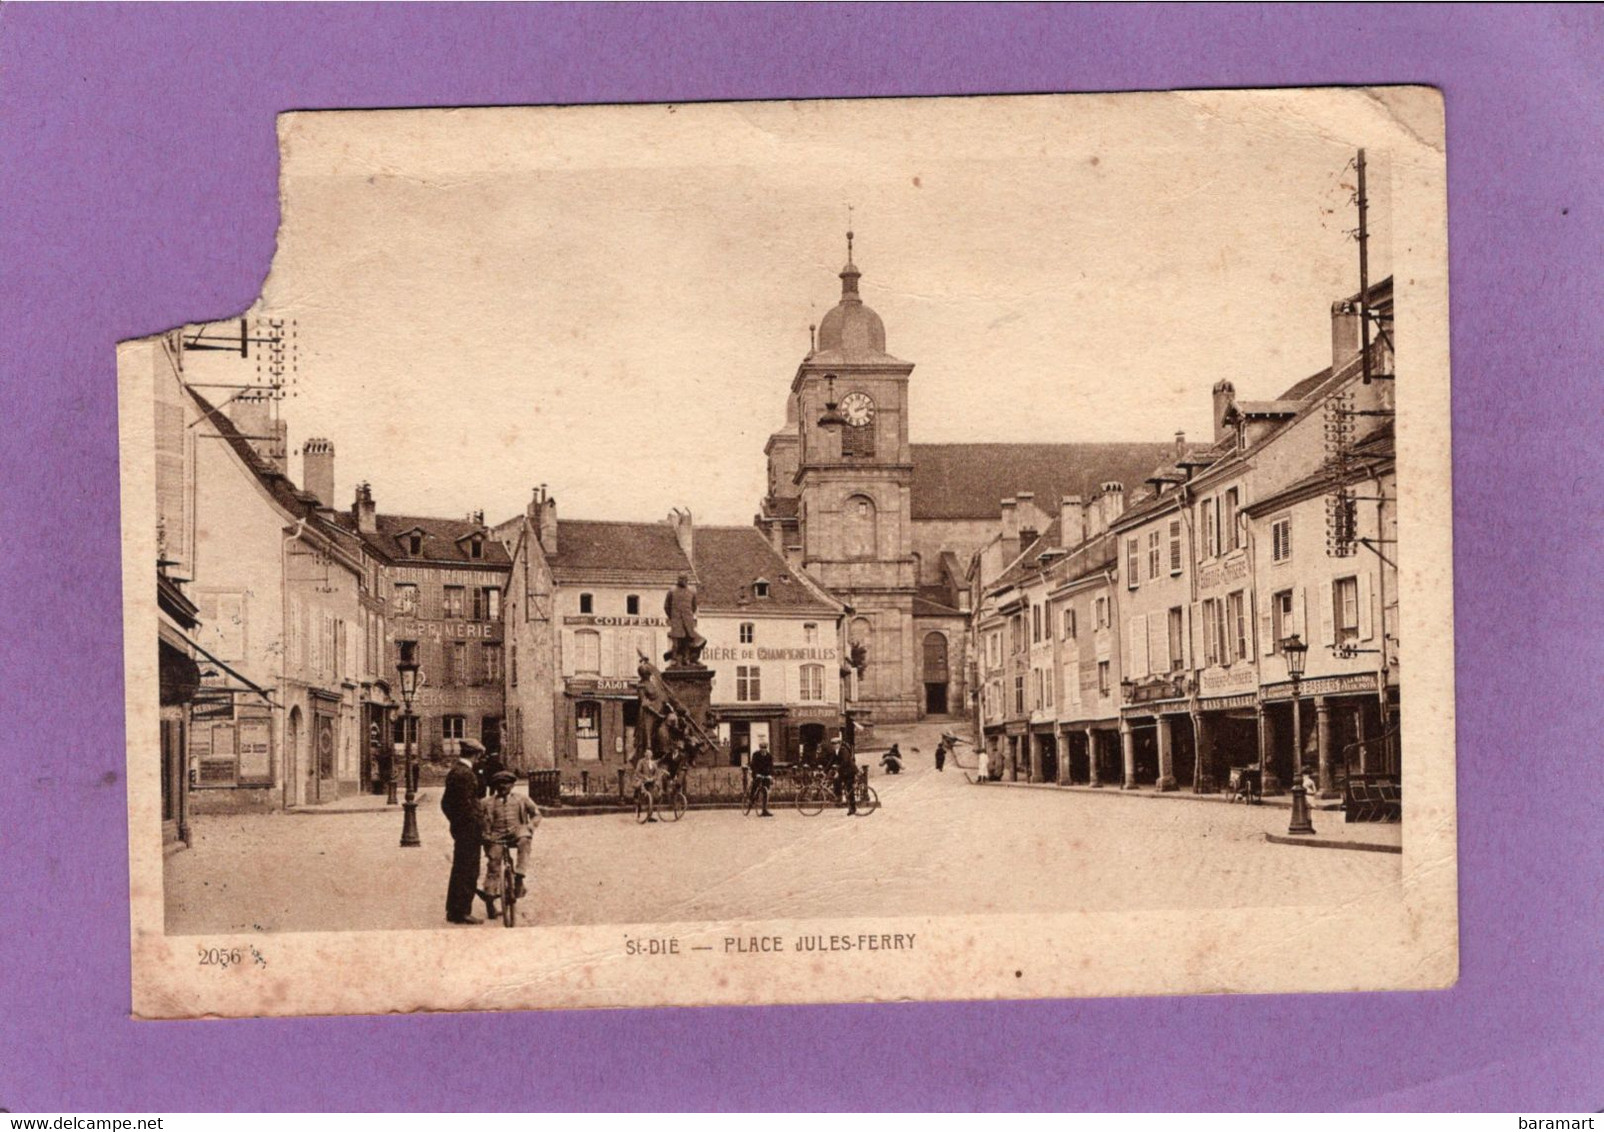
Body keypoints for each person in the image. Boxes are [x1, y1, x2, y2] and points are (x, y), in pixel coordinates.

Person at [480, 770, 541, 916]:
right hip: (496, 835)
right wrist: (484, 833)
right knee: (494, 864)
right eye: (498, 784)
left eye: (506, 783)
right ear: (494, 786)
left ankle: (519, 876)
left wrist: (530, 826)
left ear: (512, 785)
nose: (502, 786)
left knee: (525, 840)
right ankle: (490, 900)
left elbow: (536, 814)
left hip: (517, 832)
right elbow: (478, 820)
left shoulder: (522, 799)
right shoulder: (486, 802)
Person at [440, 739, 485, 924]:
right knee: (468, 869)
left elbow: (445, 804)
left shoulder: (456, 771)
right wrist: (472, 823)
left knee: (460, 868)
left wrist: (455, 824)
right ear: (475, 755)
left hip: (462, 828)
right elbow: (467, 805)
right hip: (468, 829)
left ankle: (454, 910)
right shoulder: (465, 774)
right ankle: (461, 912)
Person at [663, 573, 705, 667]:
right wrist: (673, 617)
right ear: (678, 579)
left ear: (687, 580)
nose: (682, 580)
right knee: (677, 642)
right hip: (677, 620)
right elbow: (666, 606)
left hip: (688, 620)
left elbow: (694, 606)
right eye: (681, 578)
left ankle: (686, 659)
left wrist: (688, 615)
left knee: (688, 641)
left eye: (684, 579)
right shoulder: (672, 591)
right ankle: (676, 660)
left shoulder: (692, 591)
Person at [833, 737, 860, 816]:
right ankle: (839, 797)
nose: (834, 746)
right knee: (837, 781)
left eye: (836, 744)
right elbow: (831, 760)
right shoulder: (836, 751)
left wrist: (838, 771)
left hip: (850, 772)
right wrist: (824, 770)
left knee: (849, 790)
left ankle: (853, 809)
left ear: (839, 744)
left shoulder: (843, 750)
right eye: (833, 744)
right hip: (844, 772)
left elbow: (845, 762)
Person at [748, 739, 775, 817]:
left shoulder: (769, 756)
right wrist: (756, 774)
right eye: (762, 748)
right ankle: (751, 799)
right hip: (757, 774)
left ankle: (764, 810)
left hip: (766, 774)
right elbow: (753, 765)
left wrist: (770, 775)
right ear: (759, 748)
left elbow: (771, 766)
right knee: (755, 785)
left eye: (765, 748)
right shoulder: (755, 755)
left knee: (766, 791)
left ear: (767, 748)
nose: (763, 749)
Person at [635, 749, 661, 823]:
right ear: (645, 754)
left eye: (650, 754)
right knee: (640, 798)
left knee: (651, 798)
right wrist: (644, 777)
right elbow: (637, 771)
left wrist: (653, 778)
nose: (648, 755)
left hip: (650, 783)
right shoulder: (641, 762)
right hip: (643, 782)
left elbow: (657, 773)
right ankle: (638, 814)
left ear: (651, 755)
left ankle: (650, 816)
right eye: (647, 754)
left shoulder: (653, 763)